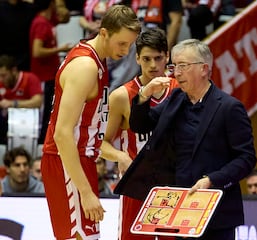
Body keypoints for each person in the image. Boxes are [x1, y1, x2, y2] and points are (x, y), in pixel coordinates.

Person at [114, 39, 257, 240]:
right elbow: (141, 125)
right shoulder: (175, 99)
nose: (176, 72)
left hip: (214, 209)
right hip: (179, 209)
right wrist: (144, 95)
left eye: (183, 66)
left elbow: (246, 159)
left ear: (204, 69)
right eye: (174, 66)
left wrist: (212, 180)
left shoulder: (229, 107)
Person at [40, 5, 141, 240]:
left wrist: (119, 156)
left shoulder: (97, 59)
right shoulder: (86, 66)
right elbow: (63, 134)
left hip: (79, 160)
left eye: (129, 45)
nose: (126, 52)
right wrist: (85, 192)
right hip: (65, 161)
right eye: (122, 43)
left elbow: (86, 128)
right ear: (104, 33)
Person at [100, 27, 178, 240]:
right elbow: (100, 143)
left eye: (158, 58)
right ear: (136, 58)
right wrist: (121, 156)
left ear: (167, 56)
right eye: (146, 59)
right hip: (137, 185)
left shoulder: (180, 90)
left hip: (172, 185)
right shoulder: (122, 96)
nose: (153, 65)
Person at [108, 0, 183, 91]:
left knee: (137, 37)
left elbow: (176, 21)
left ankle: (115, 89)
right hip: (131, 35)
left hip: (155, 39)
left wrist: (165, 48)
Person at [30, 0, 73, 145]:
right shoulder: (41, 23)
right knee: (43, 116)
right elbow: (37, 51)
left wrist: (62, 9)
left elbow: (66, 18)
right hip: (42, 76)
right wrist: (59, 50)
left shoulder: (49, 21)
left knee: (49, 111)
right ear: (50, 4)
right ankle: (39, 145)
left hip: (50, 76)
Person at [0, 54, 43, 145]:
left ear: (14, 70)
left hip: (27, 124)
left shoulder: (30, 78)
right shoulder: (1, 82)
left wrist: (13, 104)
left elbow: (38, 101)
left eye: (4, 75)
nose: (1, 79)